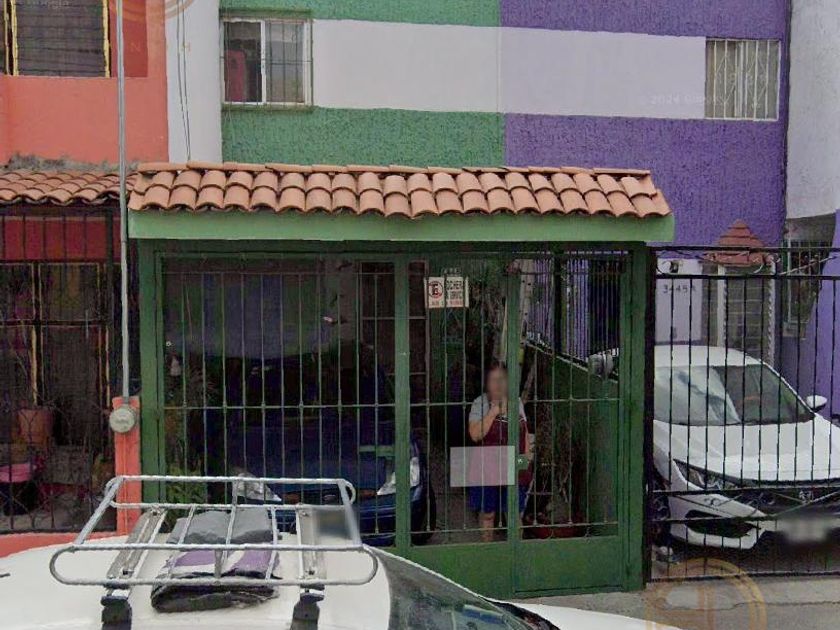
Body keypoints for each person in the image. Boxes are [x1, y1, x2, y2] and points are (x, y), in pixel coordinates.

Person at [467, 361, 531, 542]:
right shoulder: (480, 403)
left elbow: (525, 434)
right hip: (486, 466)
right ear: (487, 383)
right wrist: (493, 411)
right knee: (488, 514)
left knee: (514, 514)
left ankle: (515, 552)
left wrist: (524, 461)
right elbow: (475, 435)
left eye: (502, 379)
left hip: (513, 465)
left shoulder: (516, 402)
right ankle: (488, 551)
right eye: (493, 380)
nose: (498, 384)